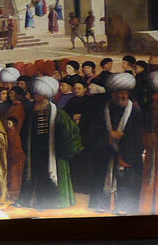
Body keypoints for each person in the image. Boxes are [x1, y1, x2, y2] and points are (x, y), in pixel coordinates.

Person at [16, 76, 82, 209]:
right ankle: (35, 201)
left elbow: (68, 133)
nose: (35, 96)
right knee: (35, 174)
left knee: (51, 175)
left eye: (38, 94)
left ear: (45, 95)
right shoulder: (31, 112)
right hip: (35, 150)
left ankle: (53, 202)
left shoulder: (59, 114)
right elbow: (25, 132)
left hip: (53, 151)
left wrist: (60, 147)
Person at [83, 72, 145, 213]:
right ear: (112, 94)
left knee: (126, 180)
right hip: (105, 153)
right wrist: (108, 136)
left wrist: (123, 138)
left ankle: (123, 207)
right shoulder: (102, 109)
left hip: (127, 155)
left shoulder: (136, 111)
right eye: (119, 93)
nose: (122, 96)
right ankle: (101, 205)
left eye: (125, 93)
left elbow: (139, 136)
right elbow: (92, 133)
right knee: (101, 176)